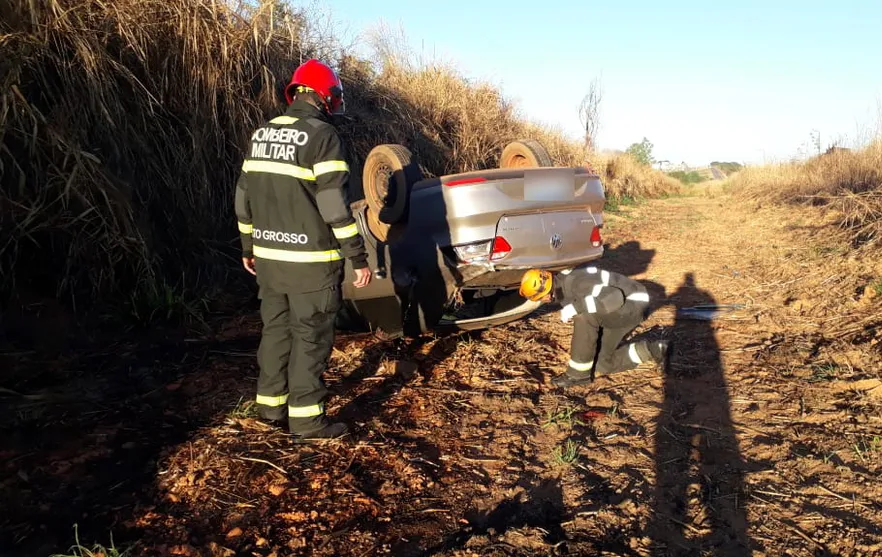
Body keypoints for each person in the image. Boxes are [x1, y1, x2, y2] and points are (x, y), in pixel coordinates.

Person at [234, 59, 371, 439]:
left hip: (269, 259)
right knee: (310, 338)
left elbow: (242, 196)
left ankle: (269, 407)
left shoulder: (262, 133)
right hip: (311, 264)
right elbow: (332, 205)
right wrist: (356, 256)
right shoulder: (323, 137)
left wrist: (248, 244)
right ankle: (308, 421)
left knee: (276, 331)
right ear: (324, 96)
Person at [518, 265, 671, 387]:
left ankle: (577, 376)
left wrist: (576, 308)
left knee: (584, 316)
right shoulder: (562, 285)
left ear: (544, 294)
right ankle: (654, 349)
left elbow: (614, 298)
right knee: (602, 364)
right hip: (616, 309)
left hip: (632, 304)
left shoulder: (576, 283)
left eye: (537, 298)